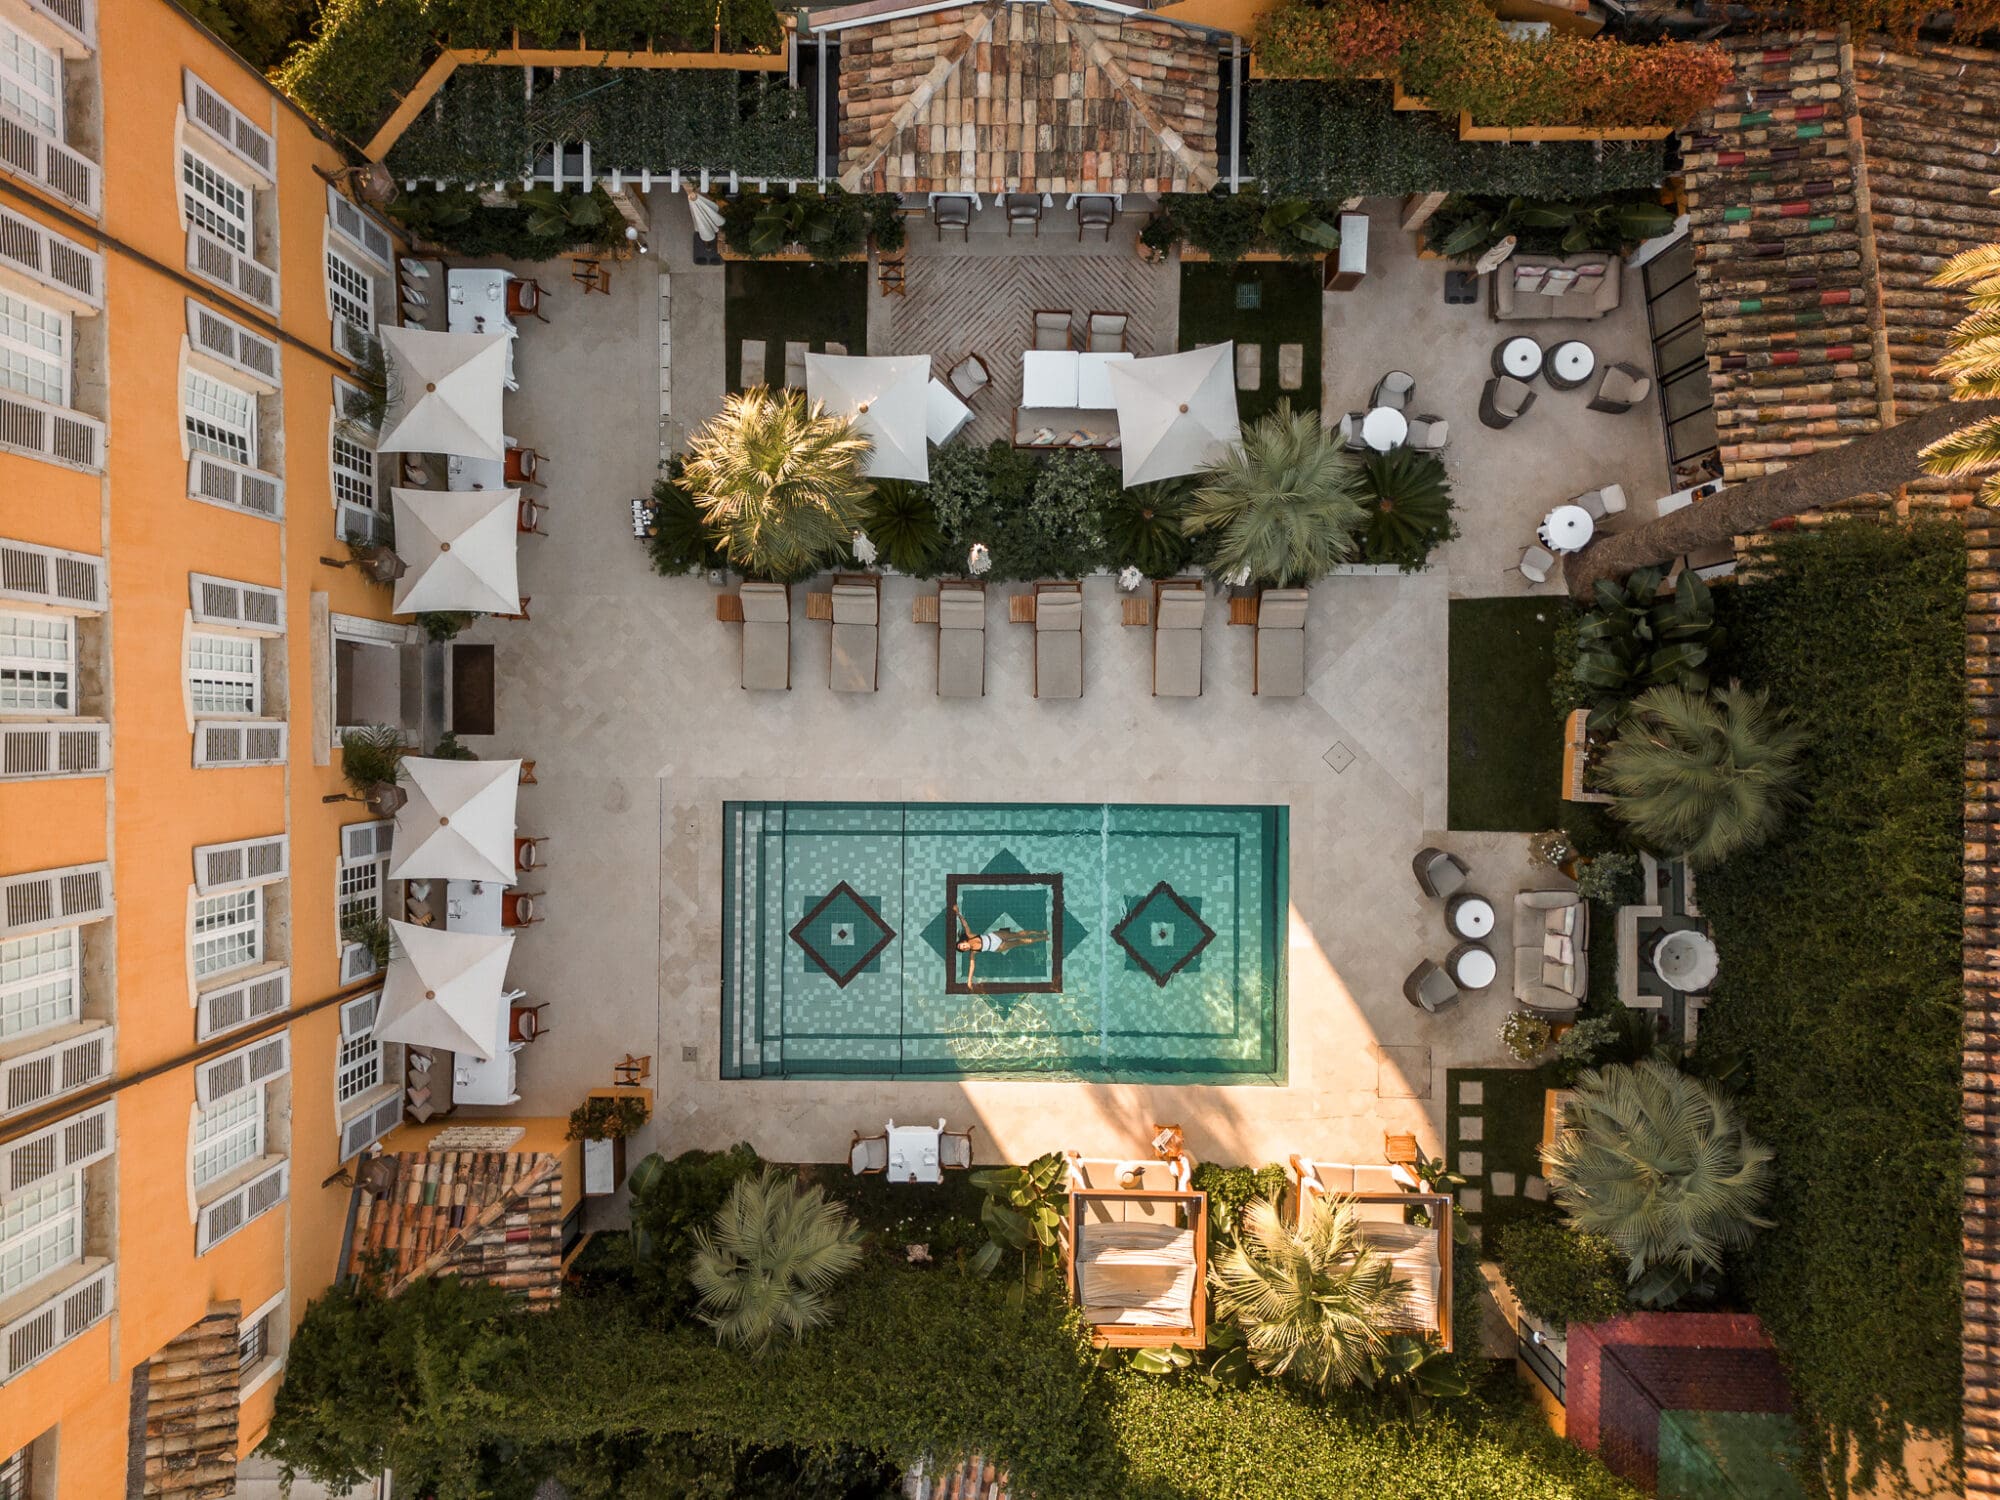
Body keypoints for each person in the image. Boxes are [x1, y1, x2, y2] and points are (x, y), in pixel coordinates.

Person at [954, 904, 1048, 990]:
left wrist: (958, 912)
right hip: (997, 947)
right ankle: (1040, 939)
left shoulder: (970, 935)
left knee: (1018, 934)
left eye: (962, 945)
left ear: (963, 942)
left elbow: (965, 924)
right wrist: (969, 980)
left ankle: (1039, 932)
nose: (964, 947)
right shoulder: (973, 952)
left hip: (995, 936)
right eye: (963, 949)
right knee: (1019, 942)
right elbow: (972, 966)